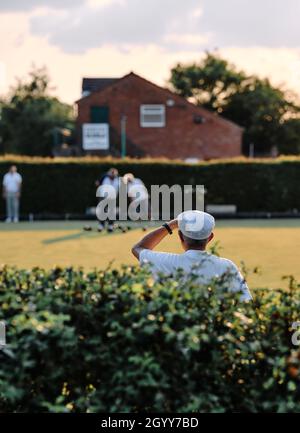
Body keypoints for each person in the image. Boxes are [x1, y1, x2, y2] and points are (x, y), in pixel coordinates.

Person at [131, 210, 252, 302]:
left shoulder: (165, 262)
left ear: (180, 236)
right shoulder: (227, 266)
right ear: (210, 238)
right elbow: (246, 301)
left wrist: (171, 225)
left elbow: (138, 248)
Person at [96, 168, 119, 232]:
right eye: (111, 173)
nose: (112, 175)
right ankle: (101, 225)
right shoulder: (104, 178)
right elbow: (97, 183)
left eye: (114, 174)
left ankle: (110, 226)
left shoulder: (117, 180)